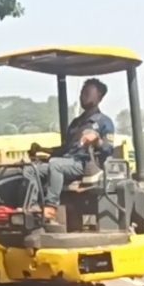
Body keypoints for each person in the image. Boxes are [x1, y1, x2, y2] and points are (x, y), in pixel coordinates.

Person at [28, 78, 115, 223]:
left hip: (85, 164)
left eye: (87, 92)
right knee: (30, 169)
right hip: (67, 162)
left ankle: (51, 207)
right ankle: (31, 207)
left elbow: (108, 149)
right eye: (82, 92)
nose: (83, 96)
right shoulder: (76, 123)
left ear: (99, 96)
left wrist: (96, 140)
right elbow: (65, 149)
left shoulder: (104, 122)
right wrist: (42, 150)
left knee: (56, 165)